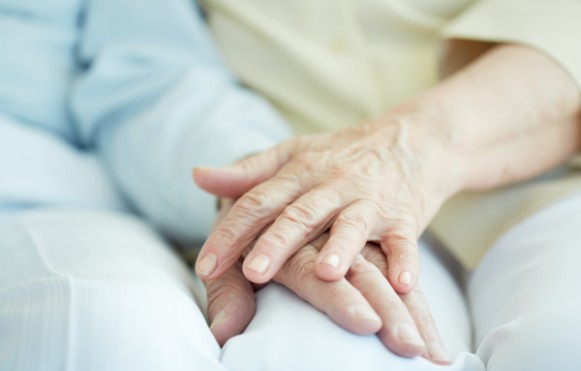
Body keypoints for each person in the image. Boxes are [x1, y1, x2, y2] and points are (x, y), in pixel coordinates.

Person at [0, 0, 454, 370]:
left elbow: (151, 75)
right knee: (89, 325)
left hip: (63, 201)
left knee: (110, 325)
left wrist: (265, 191)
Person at [194, 0, 581, 370]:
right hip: (321, 200)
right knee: (322, 356)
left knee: (562, 346)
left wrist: (416, 143)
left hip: (543, 176)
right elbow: (159, 64)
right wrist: (266, 182)